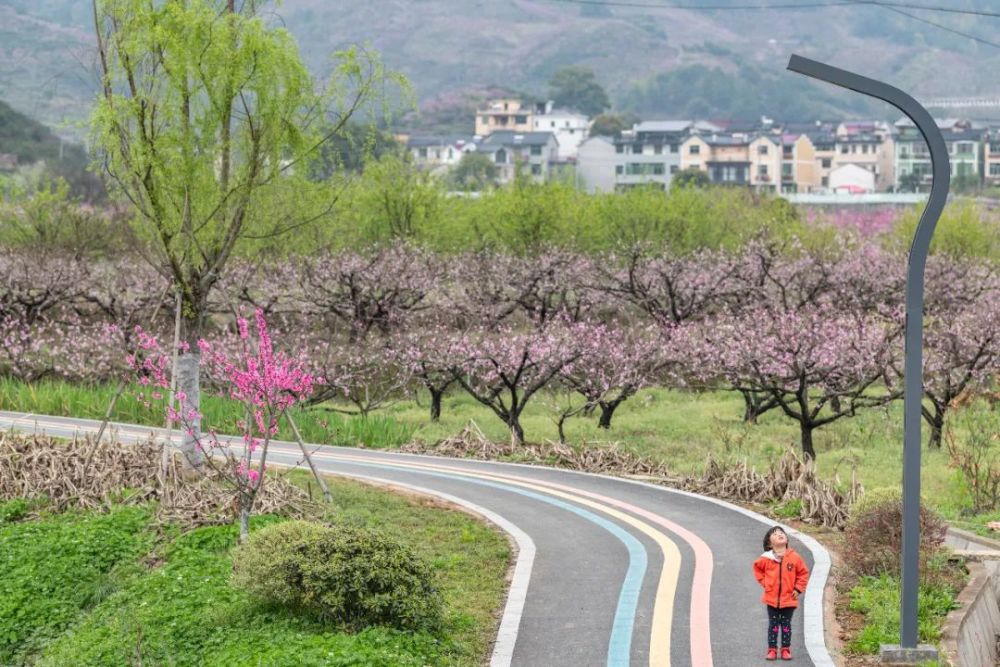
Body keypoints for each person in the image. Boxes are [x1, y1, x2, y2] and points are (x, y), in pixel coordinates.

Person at [752, 526, 810, 661]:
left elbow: (803, 573)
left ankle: (785, 649)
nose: (779, 534)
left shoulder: (794, 557)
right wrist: (765, 583)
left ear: (786, 539)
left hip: (789, 599)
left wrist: (798, 589)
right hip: (771, 599)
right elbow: (757, 569)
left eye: (781, 533)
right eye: (775, 533)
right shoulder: (766, 559)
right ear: (769, 543)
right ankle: (772, 649)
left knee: (786, 625)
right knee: (773, 625)